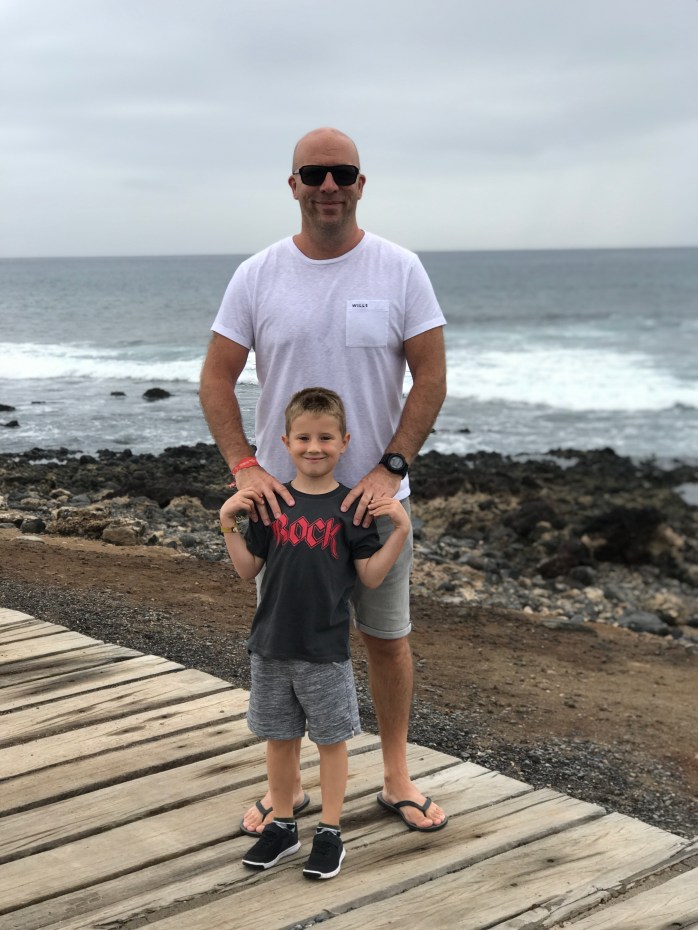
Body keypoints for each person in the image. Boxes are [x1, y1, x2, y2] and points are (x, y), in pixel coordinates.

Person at [200, 126, 448, 833]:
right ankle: (286, 792)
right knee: (283, 646)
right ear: (294, 186)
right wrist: (246, 466)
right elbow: (216, 379)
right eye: (314, 174)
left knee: (386, 639)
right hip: (282, 506)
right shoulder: (258, 275)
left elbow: (431, 376)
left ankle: (395, 776)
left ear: (361, 183)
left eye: (342, 173)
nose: (328, 186)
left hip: (372, 504)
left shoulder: (400, 269)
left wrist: (391, 467)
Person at [221, 387, 411, 879]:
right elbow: (247, 570)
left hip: (325, 651)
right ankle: (283, 826)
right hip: (270, 647)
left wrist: (400, 531)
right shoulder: (270, 506)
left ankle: (329, 831)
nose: (314, 447)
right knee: (279, 739)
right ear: (284, 442)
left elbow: (370, 577)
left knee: (331, 742)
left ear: (345, 442)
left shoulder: (352, 509)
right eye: (303, 438)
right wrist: (227, 523)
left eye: (326, 438)